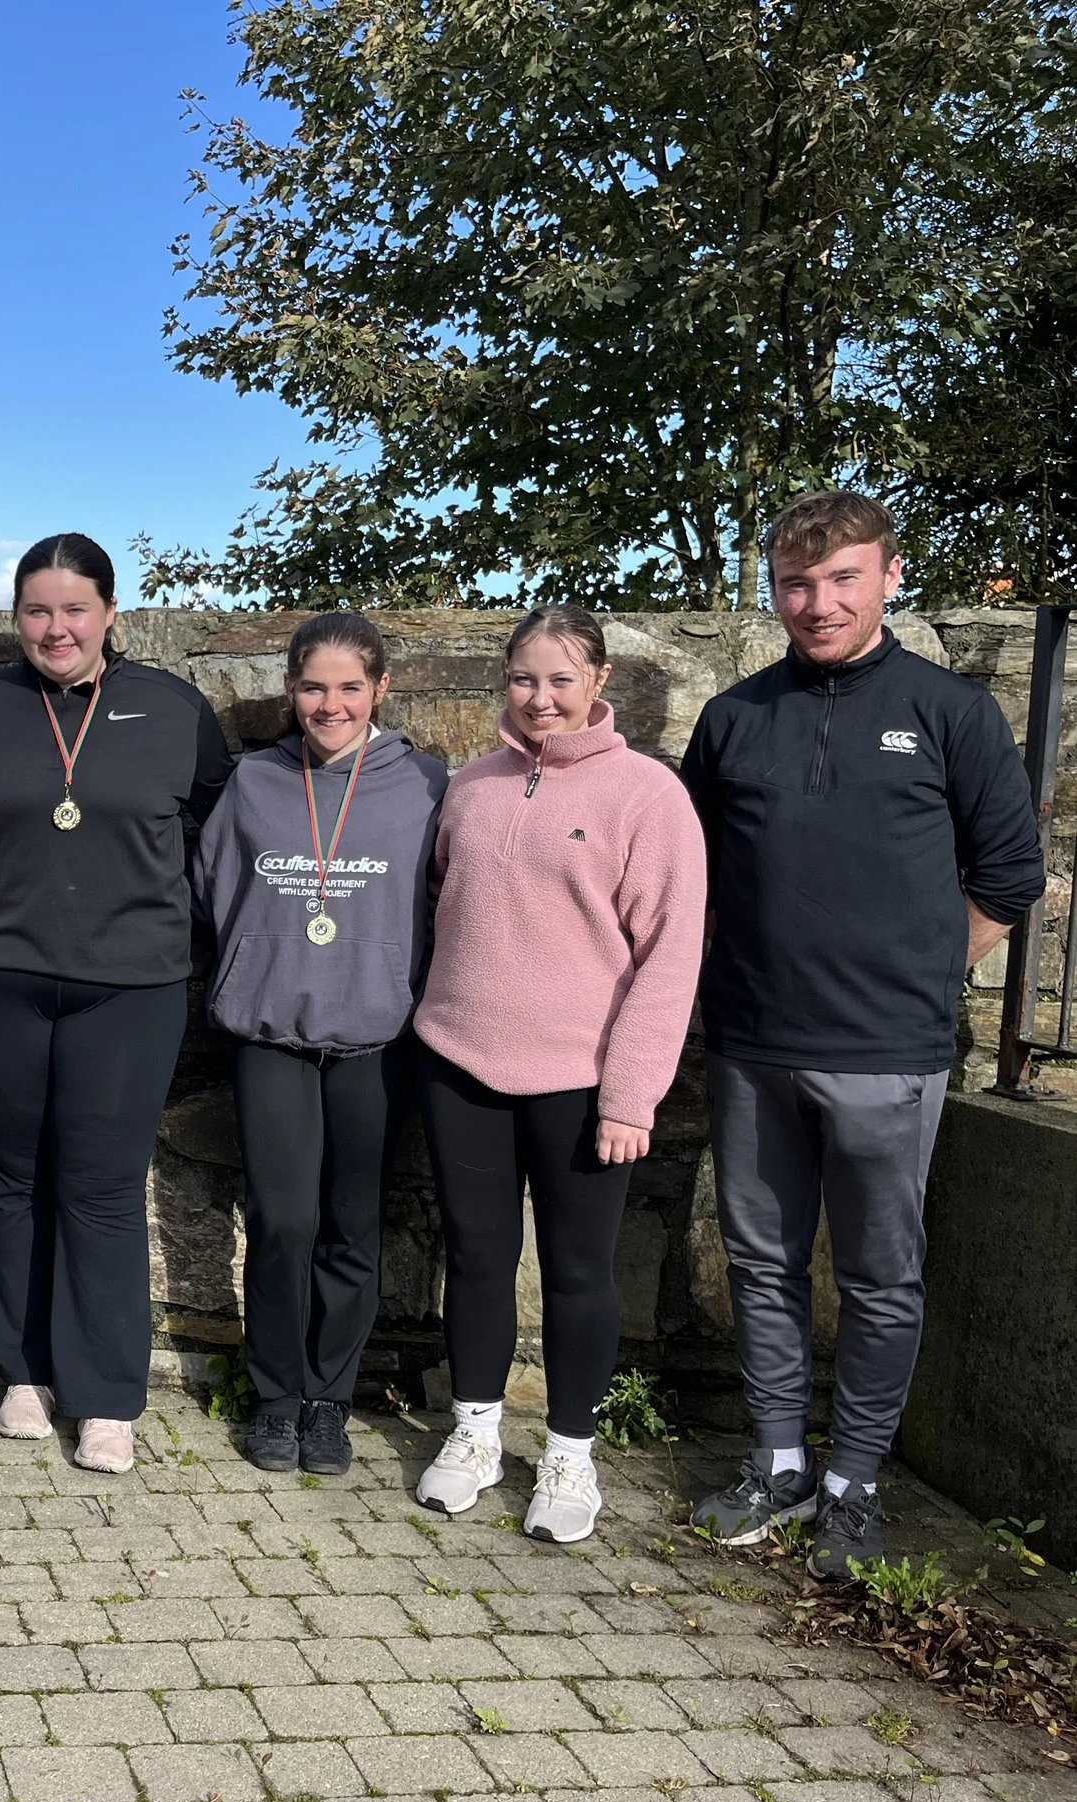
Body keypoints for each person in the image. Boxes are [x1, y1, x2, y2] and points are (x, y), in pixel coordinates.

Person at [682, 492, 1044, 1578]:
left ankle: (853, 1484)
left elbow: (1009, 876)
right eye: (795, 583)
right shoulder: (734, 717)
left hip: (889, 1054)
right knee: (762, 1264)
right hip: (752, 1045)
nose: (818, 603)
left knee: (881, 1277)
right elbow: (690, 875)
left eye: (842, 578)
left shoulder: (950, 711)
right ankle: (780, 1462)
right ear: (773, 590)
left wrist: (920, 973)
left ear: (889, 576)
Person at [0, 534, 233, 1473]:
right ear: (16, 617)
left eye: (74, 609)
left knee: (102, 1186)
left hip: (130, 986)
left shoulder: (174, 708)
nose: (55, 628)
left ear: (110, 612)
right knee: (15, 1177)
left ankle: (106, 1393)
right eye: (37, 610)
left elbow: (219, 826)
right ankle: (26, 1372)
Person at [410, 606, 705, 1544]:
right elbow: (440, 904)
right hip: (459, 1063)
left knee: (578, 1272)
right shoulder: (470, 786)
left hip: (582, 1083)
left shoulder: (648, 796)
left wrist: (631, 1094)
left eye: (561, 680)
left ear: (599, 682)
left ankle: (571, 1453)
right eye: (523, 679)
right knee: (477, 1257)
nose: (540, 698)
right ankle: (475, 1434)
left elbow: (669, 957)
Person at [193, 612, 445, 1475]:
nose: (329, 704)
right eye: (312, 687)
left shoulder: (425, 783)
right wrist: (261, 960)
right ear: (290, 689)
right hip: (271, 1032)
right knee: (282, 1220)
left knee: (351, 1225)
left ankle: (328, 1402)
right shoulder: (255, 779)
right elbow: (213, 888)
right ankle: (274, 1397)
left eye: (348, 687)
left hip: (376, 1038)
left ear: (381, 689)